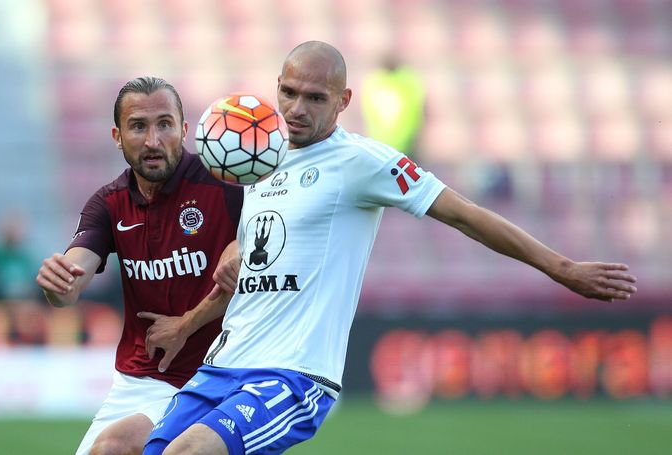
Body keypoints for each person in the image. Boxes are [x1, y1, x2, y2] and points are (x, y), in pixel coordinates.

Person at [143, 42, 638, 455]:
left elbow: (464, 213)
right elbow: (252, 275)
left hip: (291, 375)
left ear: (343, 100)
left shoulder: (362, 162)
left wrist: (563, 267)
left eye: (315, 98)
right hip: (222, 365)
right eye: (289, 92)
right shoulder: (260, 165)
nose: (296, 108)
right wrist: (187, 326)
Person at [35, 76, 243, 455]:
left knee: (115, 446)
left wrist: (189, 322)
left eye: (164, 124)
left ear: (183, 129)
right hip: (139, 380)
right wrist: (59, 284)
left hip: (217, 378)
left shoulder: (225, 186)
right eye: (138, 126)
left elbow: (263, 247)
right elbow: (71, 281)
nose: (152, 140)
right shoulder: (109, 203)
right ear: (117, 136)